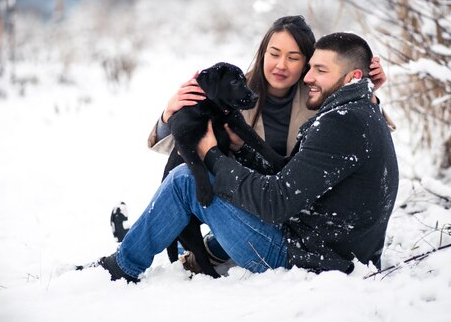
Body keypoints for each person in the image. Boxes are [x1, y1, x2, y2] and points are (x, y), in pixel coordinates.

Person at [97, 31, 399, 282]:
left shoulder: (338, 117)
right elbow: (290, 181)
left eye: (312, 66)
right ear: (262, 53)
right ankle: (167, 247)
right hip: (323, 241)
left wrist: (212, 155)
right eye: (275, 53)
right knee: (188, 185)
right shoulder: (354, 108)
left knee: (184, 181)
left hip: (307, 253)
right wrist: (171, 116)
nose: (307, 76)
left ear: (352, 77)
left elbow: (277, 200)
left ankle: (121, 268)